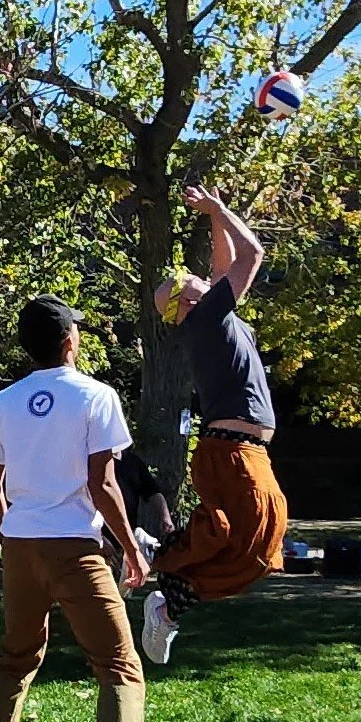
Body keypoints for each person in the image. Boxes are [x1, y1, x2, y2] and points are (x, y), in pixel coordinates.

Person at [0, 293, 190, 722]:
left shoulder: (4, 400)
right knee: (120, 666)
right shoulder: (97, 395)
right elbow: (104, 482)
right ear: (69, 342)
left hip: (19, 545)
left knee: (16, 655)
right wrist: (131, 551)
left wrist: (8, 533)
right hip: (75, 547)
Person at [141, 185, 288, 663]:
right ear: (185, 306)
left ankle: (161, 571)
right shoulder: (206, 319)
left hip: (240, 450)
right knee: (253, 547)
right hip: (231, 451)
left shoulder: (213, 315)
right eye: (188, 283)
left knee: (258, 540)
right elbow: (253, 254)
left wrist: (215, 217)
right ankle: (164, 585)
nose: (198, 279)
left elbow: (224, 266)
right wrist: (219, 210)